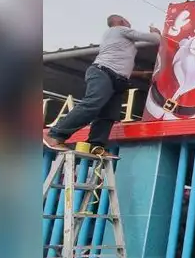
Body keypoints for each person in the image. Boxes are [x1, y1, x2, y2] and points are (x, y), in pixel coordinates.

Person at [43, 15, 161, 155]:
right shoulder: (119, 29)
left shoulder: (118, 40)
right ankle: (55, 135)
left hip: (114, 77)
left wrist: (141, 74)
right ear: (121, 21)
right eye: (127, 20)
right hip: (103, 73)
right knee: (92, 104)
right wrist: (155, 32)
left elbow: (119, 66)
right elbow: (156, 39)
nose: (129, 22)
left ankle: (96, 146)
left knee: (108, 115)